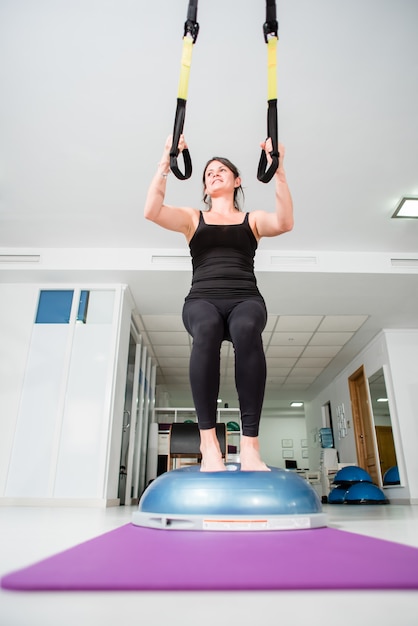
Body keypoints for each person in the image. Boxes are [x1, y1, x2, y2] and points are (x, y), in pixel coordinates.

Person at [144, 135, 294, 471]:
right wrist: (165, 163)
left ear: (237, 180)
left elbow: (284, 222)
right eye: (209, 172)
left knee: (246, 329)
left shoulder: (251, 220)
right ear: (204, 185)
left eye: (222, 169)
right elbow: (151, 211)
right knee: (208, 330)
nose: (214, 173)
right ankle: (209, 443)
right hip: (202, 300)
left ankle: (251, 447)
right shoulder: (191, 218)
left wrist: (279, 171)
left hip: (245, 298)